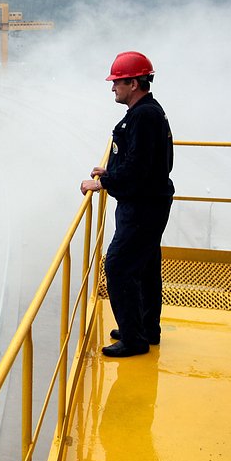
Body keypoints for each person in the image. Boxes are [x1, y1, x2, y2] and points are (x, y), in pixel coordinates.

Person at [80, 51, 174, 358]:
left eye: (118, 82)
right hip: (148, 202)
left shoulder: (143, 116)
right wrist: (112, 172)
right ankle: (145, 328)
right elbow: (143, 161)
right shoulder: (147, 112)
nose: (113, 88)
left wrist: (103, 183)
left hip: (143, 207)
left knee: (118, 265)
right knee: (145, 265)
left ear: (134, 83)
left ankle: (134, 340)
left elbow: (139, 167)